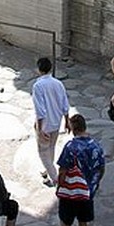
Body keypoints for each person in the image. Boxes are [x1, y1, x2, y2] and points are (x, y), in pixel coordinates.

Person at [56, 114, 105, 226]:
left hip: (71, 192)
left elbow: (63, 169)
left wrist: (59, 185)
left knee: (66, 221)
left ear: (73, 128)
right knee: (83, 221)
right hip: (88, 192)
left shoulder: (71, 147)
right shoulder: (96, 145)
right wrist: (95, 183)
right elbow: (101, 168)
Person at [32, 57, 70, 187]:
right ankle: (47, 170)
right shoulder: (58, 83)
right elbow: (65, 103)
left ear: (39, 70)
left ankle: (55, 177)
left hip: (45, 124)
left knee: (43, 152)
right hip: (56, 121)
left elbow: (40, 109)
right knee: (51, 147)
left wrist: (39, 127)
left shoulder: (38, 86)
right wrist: (67, 120)